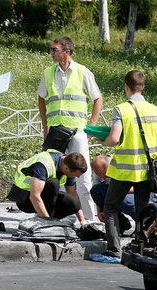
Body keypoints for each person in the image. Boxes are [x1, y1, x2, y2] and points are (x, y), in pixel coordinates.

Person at [94, 70, 157, 262]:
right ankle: (140, 247)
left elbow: (114, 139)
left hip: (124, 170)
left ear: (126, 86)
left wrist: (101, 141)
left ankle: (114, 250)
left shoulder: (121, 109)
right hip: (146, 171)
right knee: (143, 209)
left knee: (109, 207)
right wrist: (155, 161)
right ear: (143, 87)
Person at [37, 36, 102, 223]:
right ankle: (64, 215)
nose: (51, 52)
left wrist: (92, 125)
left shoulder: (82, 72)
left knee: (83, 175)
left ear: (67, 51)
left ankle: (88, 219)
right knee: (56, 174)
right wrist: (45, 126)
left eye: (54, 49)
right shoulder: (48, 73)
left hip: (77, 132)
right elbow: (42, 98)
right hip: (56, 132)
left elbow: (97, 98)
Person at [8, 150, 89, 223]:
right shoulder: (43, 164)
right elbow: (34, 196)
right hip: (25, 200)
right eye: (75, 175)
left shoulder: (68, 164)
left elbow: (72, 193)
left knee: (74, 204)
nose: (77, 177)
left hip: (43, 197)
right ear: (66, 168)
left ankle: (49, 219)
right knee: (53, 183)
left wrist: (83, 222)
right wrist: (48, 223)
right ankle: (46, 221)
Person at [90, 154, 156, 235]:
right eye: (100, 175)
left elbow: (141, 188)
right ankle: (121, 222)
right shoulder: (99, 172)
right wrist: (100, 211)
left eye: (106, 174)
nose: (104, 178)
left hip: (140, 192)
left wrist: (118, 192)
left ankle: (144, 224)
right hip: (119, 193)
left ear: (110, 166)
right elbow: (99, 192)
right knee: (96, 190)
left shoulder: (124, 164)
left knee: (122, 199)